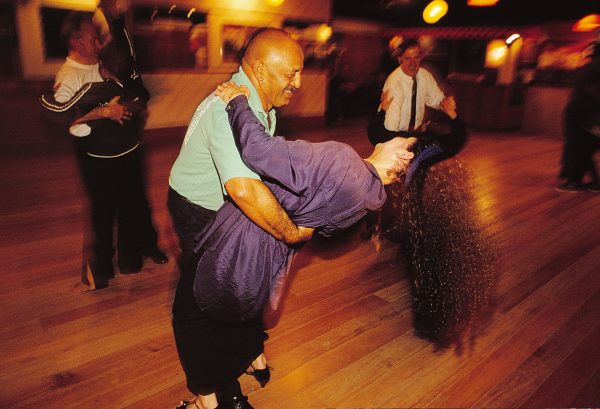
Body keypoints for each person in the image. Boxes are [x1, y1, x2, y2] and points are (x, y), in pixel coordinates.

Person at [175, 80, 415, 409]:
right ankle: (252, 359)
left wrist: (237, 101)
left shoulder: (342, 161)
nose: (401, 136)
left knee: (190, 315)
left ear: (401, 161)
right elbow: (316, 230)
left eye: (406, 142)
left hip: (245, 236)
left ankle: (207, 401)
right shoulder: (366, 203)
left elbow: (259, 151)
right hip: (276, 259)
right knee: (247, 305)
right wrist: (295, 230)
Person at [168, 28, 313, 409]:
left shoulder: (252, 100)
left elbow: (262, 164)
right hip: (200, 210)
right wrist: (291, 233)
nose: (298, 83)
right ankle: (213, 391)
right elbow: (244, 190)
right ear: (261, 69)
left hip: (225, 208)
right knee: (210, 304)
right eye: (292, 73)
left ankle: (247, 350)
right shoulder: (225, 109)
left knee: (247, 280)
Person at [48, 10, 166, 290]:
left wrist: (116, 20)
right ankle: (101, 266)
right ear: (76, 41)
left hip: (128, 147)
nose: (99, 43)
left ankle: (137, 251)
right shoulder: (67, 76)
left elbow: (128, 69)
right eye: (93, 38)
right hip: (98, 156)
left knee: (135, 201)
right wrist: (103, 112)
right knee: (103, 209)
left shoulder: (99, 63)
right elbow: (62, 116)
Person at [380, 38, 454, 135]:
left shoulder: (424, 76)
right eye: (407, 58)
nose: (413, 63)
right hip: (395, 134)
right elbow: (391, 124)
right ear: (400, 59)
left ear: (421, 58)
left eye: (416, 57)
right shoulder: (394, 83)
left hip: (416, 132)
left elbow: (435, 98)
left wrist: (444, 102)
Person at [556, 42, 600, 193]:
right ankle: (590, 182)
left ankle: (574, 180)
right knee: (585, 148)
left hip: (580, 110)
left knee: (578, 146)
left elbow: (581, 86)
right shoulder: (591, 69)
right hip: (590, 113)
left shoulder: (589, 68)